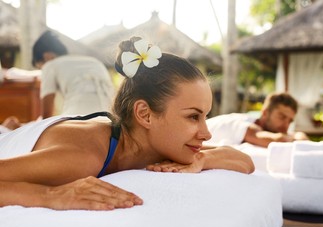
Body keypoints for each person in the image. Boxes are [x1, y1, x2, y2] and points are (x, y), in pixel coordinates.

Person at [0, 37, 254, 211]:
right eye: (193, 117)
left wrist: (203, 160)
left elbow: (244, 161)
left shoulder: (158, 146)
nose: (207, 134)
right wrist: (51, 196)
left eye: (205, 117)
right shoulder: (83, 156)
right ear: (144, 114)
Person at [32, 30, 115, 118]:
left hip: (78, 119)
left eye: (40, 67)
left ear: (47, 56)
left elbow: (46, 117)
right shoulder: (95, 62)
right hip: (109, 117)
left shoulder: (50, 65)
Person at [206, 92, 309, 148]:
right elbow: (277, 140)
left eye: (290, 121)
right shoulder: (243, 123)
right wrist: (298, 136)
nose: (286, 125)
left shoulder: (267, 129)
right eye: (282, 117)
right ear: (265, 113)